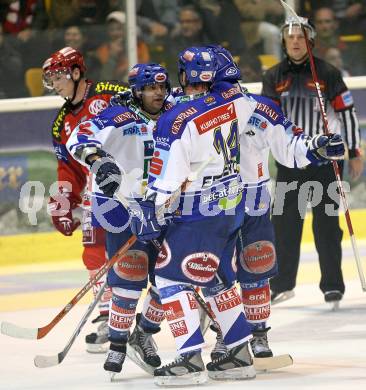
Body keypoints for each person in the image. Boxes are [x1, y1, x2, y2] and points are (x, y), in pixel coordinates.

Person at [205, 45, 346, 360]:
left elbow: (291, 146)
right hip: (211, 206)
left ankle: (256, 334)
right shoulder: (191, 109)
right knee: (217, 274)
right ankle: (225, 335)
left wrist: (317, 145)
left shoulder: (261, 109)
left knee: (255, 268)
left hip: (251, 204)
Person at [130, 46, 259, 386]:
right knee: (217, 280)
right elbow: (228, 93)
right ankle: (239, 352)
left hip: (198, 211)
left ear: (185, 76)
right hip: (231, 204)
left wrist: (150, 208)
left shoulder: (175, 119)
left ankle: (188, 359)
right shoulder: (237, 101)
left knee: (171, 278)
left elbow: (167, 178)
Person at [66, 63, 172, 376]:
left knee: (171, 279)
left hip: (163, 208)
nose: (159, 93)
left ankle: (145, 334)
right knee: (128, 278)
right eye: (152, 87)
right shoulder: (117, 115)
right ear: (137, 90)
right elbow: (78, 137)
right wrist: (98, 160)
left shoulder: (172, 114)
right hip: (123, 208)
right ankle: (117, 344)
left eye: (162, 87)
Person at [261, 17, 363, 305]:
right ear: (283, 40)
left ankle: (333, 286)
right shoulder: (273, 76)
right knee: (284, 224)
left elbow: (347, 113)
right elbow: (269, 120)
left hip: (327, 165)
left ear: (311, 41)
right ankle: (282, 283)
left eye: (301, 36)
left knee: (327, 226)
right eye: (290, 36)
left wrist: (354, 151)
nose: (295, 41)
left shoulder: (328, 73)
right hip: (289, 164)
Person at [42, 46, 128, 353]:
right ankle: (109, 317)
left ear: (77, 72)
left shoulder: (109, 94)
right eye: (50, 78)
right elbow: (68, 168)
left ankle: (185, 301)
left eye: (59, 76)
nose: (55, 83)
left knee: (157, 253)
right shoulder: (60, 122)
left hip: (133, 188)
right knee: (93, 253)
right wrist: (64, 198)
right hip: (97, 194)